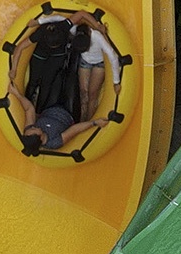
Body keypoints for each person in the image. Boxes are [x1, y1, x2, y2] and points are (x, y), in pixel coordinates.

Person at [8, 11, 116, 154]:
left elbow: (29, 109)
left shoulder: (28, 131)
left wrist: (16, 93)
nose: (29, 128)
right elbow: (73, 130)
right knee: (72, 80)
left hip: (50, 107)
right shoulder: (55, 142)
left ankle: (71, 53)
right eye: (32, 130)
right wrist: (94, 123)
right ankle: (76, 59)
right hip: (69, 114)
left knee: (58, 77)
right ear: (40, 136)